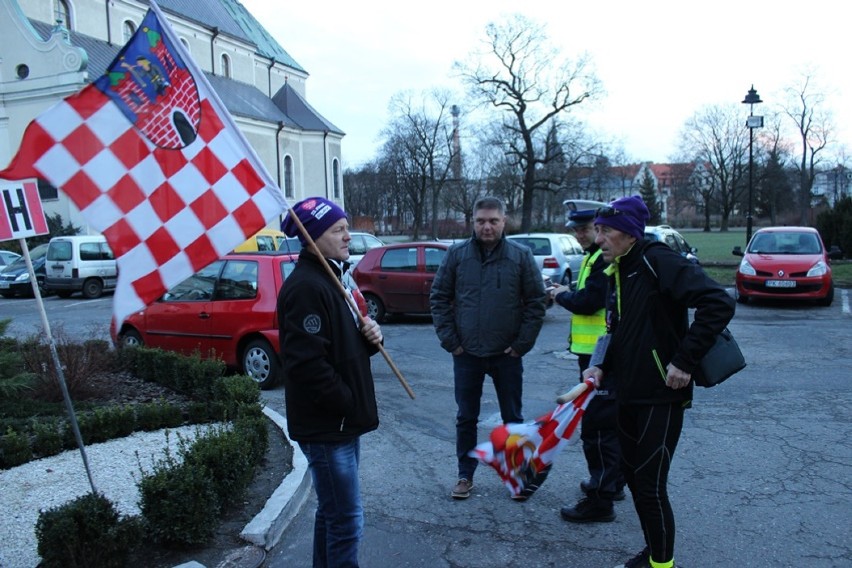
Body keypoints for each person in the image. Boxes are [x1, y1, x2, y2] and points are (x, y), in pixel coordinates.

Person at [582, 195, 735, 568]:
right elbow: (617, 330)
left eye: (605, 231)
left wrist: (684, 361)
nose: (597, 239)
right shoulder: (619, 268)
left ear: (630, 233)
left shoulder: (657, 259)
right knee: (634, 480)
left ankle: (662, 564)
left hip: (662, 395)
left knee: (650, 486)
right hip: (627, 391)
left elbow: (718, 301)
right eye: (597, 230)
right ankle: (654, 553)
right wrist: (600, 364)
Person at [277, 197, 384, 568]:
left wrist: (371, 338)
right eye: (338, 229)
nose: (348, 236)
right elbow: (307, 366)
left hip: (341, 421)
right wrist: (348, 403)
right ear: (312, 235)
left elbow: (338, 348)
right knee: (346, 521)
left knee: (332, 512)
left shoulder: (333, 278)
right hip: (328, 426)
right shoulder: (307, 287)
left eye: (346, 227)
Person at [429, 196, 547, 500]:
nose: (487, 226)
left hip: (507, 354)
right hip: (466, 354)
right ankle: (465, 475)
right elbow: (439, 298)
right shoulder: (457, 256)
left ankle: (519, 477)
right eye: (481, 220)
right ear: (473, 221)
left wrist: (521, 345)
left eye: (493, 220)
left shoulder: (520, 257)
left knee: (513, 419)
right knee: (466, 417)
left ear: (504, 221)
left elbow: (536, 303)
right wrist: (451, 342)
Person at [548, 208, 625, 523]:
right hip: (593, 355)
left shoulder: (602, 261)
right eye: (576, 230)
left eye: (586, 229)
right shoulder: (594, 258)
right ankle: (609, 483)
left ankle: (601, 497)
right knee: (601, 425)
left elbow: (587, 302)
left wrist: (561, 294)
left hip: (600, 358)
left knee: (598, 427)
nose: (580, 235)